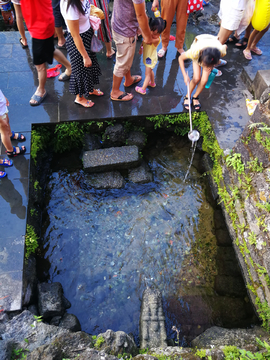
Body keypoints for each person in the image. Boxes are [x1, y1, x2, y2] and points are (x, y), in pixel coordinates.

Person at [20, 0, 72, 106]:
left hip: (41, 27)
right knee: (50, 50)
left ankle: (41, 90)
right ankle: (70, 68)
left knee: (39, 64)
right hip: (42, 22)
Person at [60, 0, 103, 108]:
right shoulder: (71, 7)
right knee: (80, 70)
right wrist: (85, 56)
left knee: (90, 66)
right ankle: (79, 98)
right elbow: (75, 36)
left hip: (87, 35)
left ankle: (90, 89)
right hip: (78, 42)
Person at [110, 0, 153, 102]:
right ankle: (115, 92)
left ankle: (128, 79)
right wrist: (147, 36)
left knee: (127, 57)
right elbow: (141, 15)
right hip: (125, 29)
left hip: (120, 23)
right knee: (123, 62)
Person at [178, 34, 227, 110]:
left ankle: (195, 97)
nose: (206, 67)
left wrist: (211, 66)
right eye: (205, 65)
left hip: (212, 42)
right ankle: (187, 96)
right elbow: (180, 58)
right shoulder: (194, 52)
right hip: (199, 43)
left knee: (204, 80)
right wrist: (185, 75)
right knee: (196, 78)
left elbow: (225, 46)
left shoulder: (221, 51)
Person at [135, 17, 166, 95]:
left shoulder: (157, 40)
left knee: (147, 74)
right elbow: (143, 42)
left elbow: (147, 41)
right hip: (147, 57)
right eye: (152, 31)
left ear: (160, 33)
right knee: (150, 71)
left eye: (156, 34)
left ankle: (143, 89)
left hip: (150, 59)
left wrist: (142, 32)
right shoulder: (149, 35)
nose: (153, 34)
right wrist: (141, 48)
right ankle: (152, 83)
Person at [0, 90, 26, 179]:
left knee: (6, 123)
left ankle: (10, 134)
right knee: (3, 129)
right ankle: (11, 151)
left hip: (1, 107)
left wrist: (3, 97)